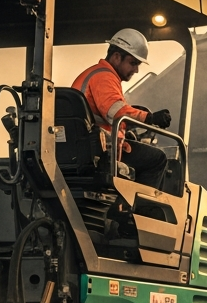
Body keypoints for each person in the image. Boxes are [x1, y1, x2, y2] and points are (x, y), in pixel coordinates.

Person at [71, 29, 173, 189]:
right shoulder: (105, 77)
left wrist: (129, 129)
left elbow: (105, 112)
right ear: (117, 57)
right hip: (100, 151)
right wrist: (149, 118)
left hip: (87, 146)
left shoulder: (93, 74)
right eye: (133, 63)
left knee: (135, 145)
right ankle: (141, 209)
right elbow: (117, 113)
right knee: (157, 159)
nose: (136, 70)